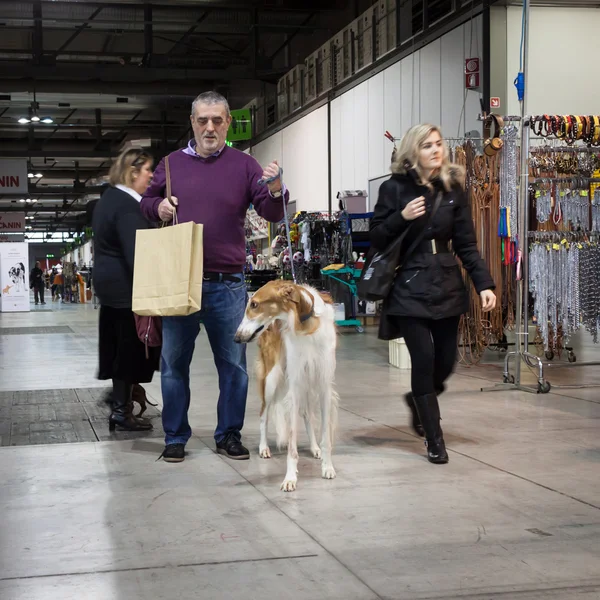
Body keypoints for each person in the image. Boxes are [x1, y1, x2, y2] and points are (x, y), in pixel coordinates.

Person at [141, 90, 288, 463]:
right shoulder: (171, 165)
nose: (210, 127)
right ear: (192, 123)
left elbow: (271, 212)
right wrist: (157, 206)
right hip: (181, 283)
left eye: (217, 120)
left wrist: (275, 189)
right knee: (174, 365)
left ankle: (229, 435)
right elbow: (144, 203)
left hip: (229, 285)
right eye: (202, 120)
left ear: (228, 124)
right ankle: (175, 437)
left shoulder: (245, 165)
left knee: (234, 367)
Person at [370, 124, 496, 465]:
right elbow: (377, 238)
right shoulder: (393, 188)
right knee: (423, 360)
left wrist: (484, 283)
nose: (436, 150)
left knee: (446, 361)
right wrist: (402, 216)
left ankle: (418, 400)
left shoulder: (453, 188)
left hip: (446, 282)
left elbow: (467, 244)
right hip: (409, 284)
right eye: (428, 145)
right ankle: (434, 439)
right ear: (413, 151)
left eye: (439, 144)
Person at [92, 147, 158, 432]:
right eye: (147, 171)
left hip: (109, 286)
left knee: (118, 346)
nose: (152, 176)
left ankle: (120, 400)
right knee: (129, 348)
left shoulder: (108, 199)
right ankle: (121, 410)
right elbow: (137, 251)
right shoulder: (127, 204)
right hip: (125, 287)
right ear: (133, 173)